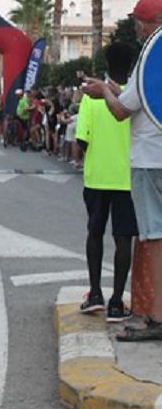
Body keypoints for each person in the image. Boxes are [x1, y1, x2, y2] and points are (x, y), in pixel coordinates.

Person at [82, 0, 162, 340]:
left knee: (154, 238)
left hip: (149, 160)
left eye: (137, 21)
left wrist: (103, 91)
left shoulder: (150, 53)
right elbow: (136, 97)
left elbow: (120, 111)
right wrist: (114, 89)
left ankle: (155, 318)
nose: (135, 26)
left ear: (147, 23)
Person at [76, 43, 137, 321]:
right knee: (124, 238)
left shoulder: (92, 96)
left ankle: (95, 293)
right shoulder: (135, 96)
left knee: (95, 233)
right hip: (128, 178)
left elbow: (81, 140)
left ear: (106, 63)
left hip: (97, 176)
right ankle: (116, 302)